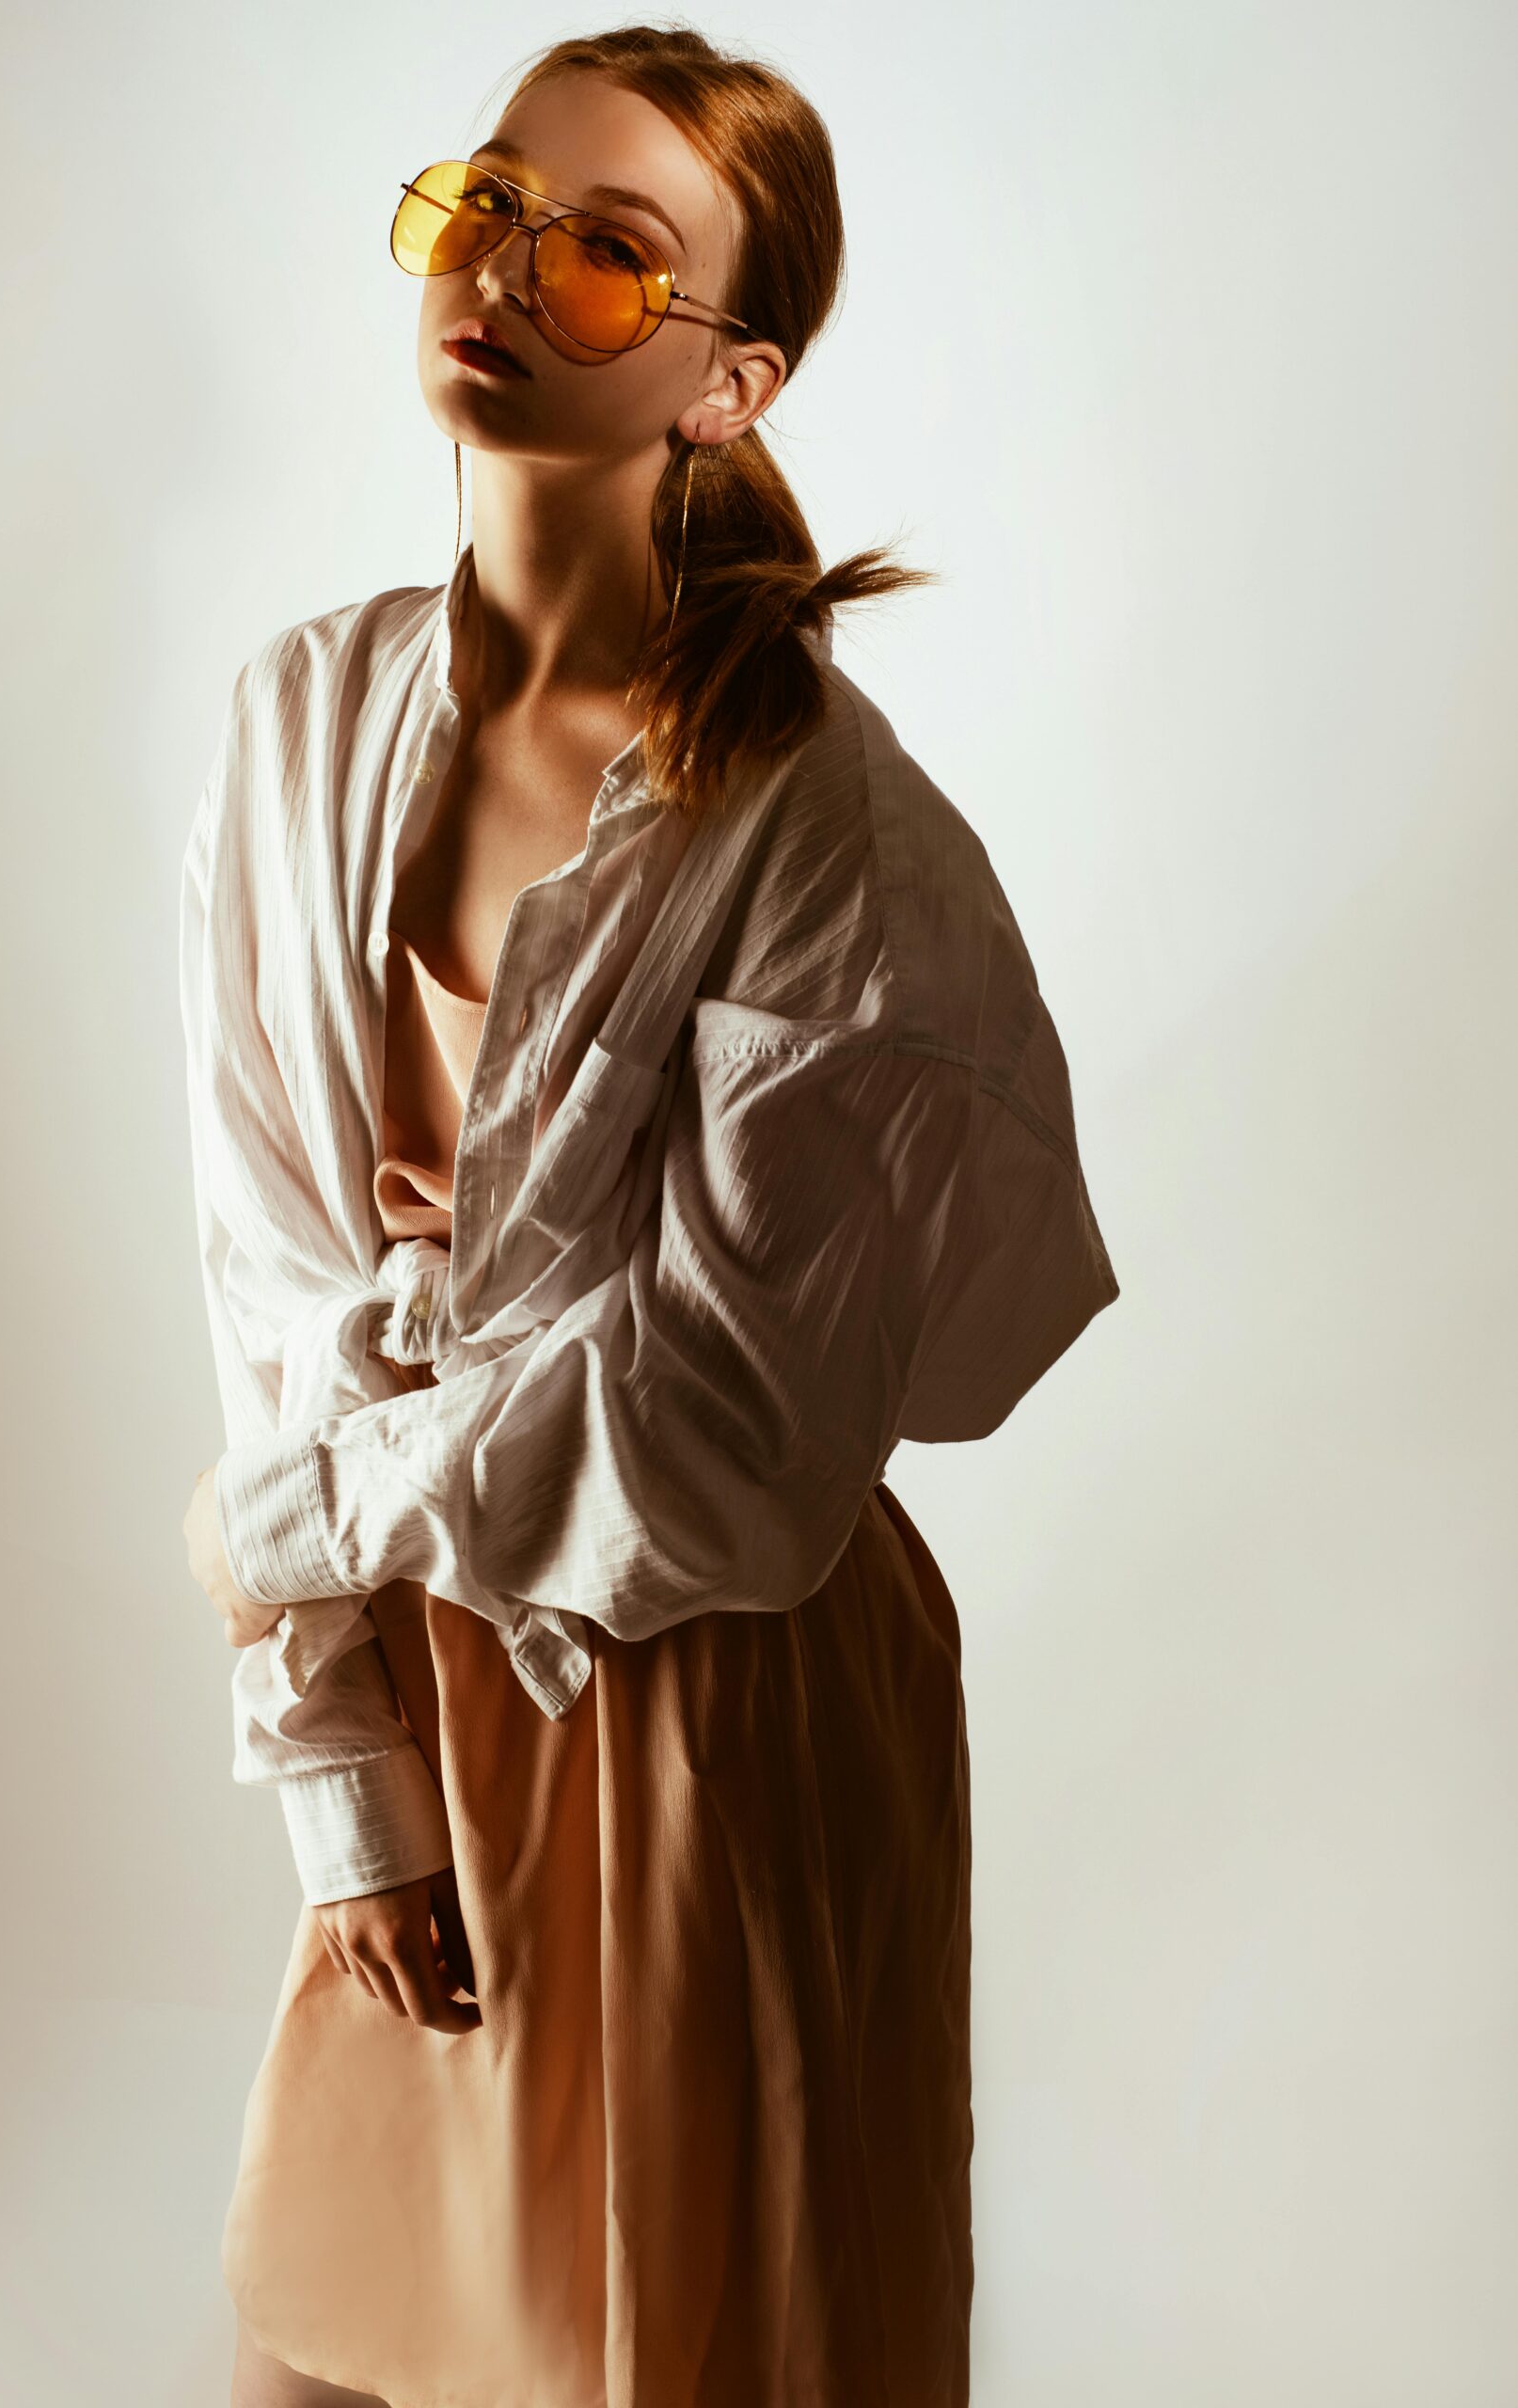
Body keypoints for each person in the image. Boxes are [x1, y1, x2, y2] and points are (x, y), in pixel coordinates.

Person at [179, 24, 1120, 2407]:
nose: (506, 267)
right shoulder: (299, 717)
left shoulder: (819, 816)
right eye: (488, 202)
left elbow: (719, 1415)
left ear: (731, 375)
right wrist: (337, 1769)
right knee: (326, 2347)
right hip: (427, 1678)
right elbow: (272, 1271)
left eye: (612, 254)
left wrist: (293, 1518)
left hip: (726, 1712)